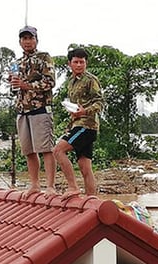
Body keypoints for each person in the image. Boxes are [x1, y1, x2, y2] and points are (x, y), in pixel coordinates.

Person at [11, 25, 57, 198]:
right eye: (24, 38)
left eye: (30, 38)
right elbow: (14, 89)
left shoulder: (44, 57)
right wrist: (14, 84)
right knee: (28, 151)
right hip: (22, 110)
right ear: (20, 42)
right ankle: (35, 184)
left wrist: (26, 85)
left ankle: (51, 186)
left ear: (36, 40)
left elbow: (50, 82)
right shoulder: (16, 63)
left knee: (46, 148)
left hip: (40, 108)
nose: (27, 41)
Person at [53, 48, 105, 200]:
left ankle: (73, 187)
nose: (79, 65)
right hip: (77, 125)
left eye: (82, 62)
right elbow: (75, 106)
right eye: (76, 62)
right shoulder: (71, 82)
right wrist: (72, 119)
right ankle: (91, 200)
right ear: (70, 64)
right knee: (85, 167)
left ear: (86, 63)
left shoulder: (91, 80)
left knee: (58, 151)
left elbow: (100, 102)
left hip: (87, 126)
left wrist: (84, 112)